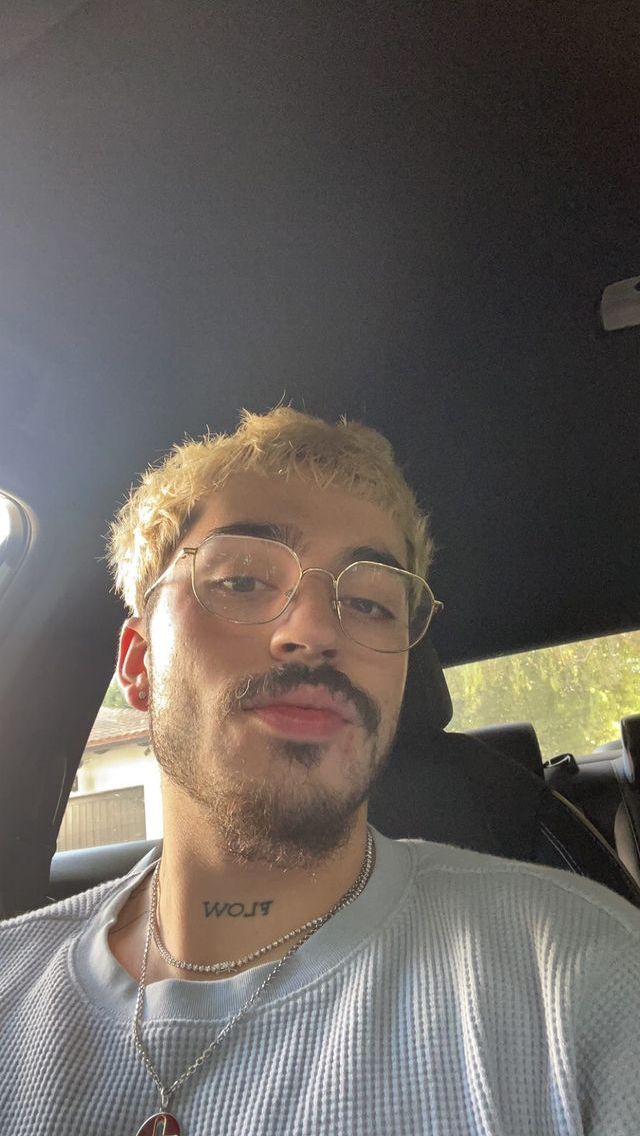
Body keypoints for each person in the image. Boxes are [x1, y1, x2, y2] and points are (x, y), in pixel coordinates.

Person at [1, 405, 639, 1136]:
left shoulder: (581, 977)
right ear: (140, 664)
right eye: (242, 580)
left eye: (371, 603)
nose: (315, 630)